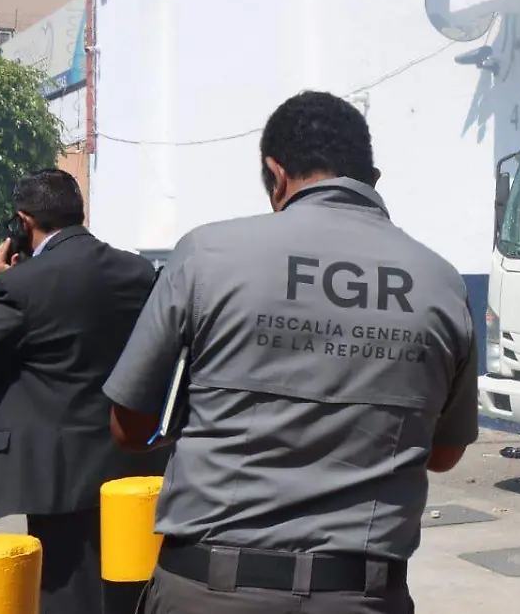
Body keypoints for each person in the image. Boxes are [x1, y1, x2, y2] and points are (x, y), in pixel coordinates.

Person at [103, 90, 480, 613]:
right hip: (360, 595)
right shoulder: (441, 282)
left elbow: (127, 425)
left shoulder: (207, 254)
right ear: (372, 179)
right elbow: (444, 454)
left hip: (209, 589)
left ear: (275, 174)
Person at [0, 168, 166, 614]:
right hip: (130, 457)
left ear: (23, 223)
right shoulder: (137, 271)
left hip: (55, 471)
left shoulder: (17, 286)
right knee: (126, 588)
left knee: (64, 594)